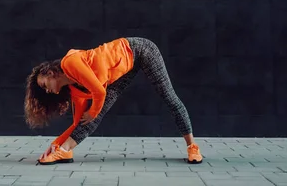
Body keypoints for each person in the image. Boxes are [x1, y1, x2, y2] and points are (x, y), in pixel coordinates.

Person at [24, 37, 203, 165]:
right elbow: (78, 123)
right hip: (119, 72)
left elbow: (99, 92)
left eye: (44, 85)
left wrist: (93, 111)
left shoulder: (69, 63)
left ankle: (192, 146)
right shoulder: (75, 90)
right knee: (91, 117)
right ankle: (64, 152)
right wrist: (56, 144)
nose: (47, 90)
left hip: (139, 50)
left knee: (169, 97)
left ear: (50, 73)